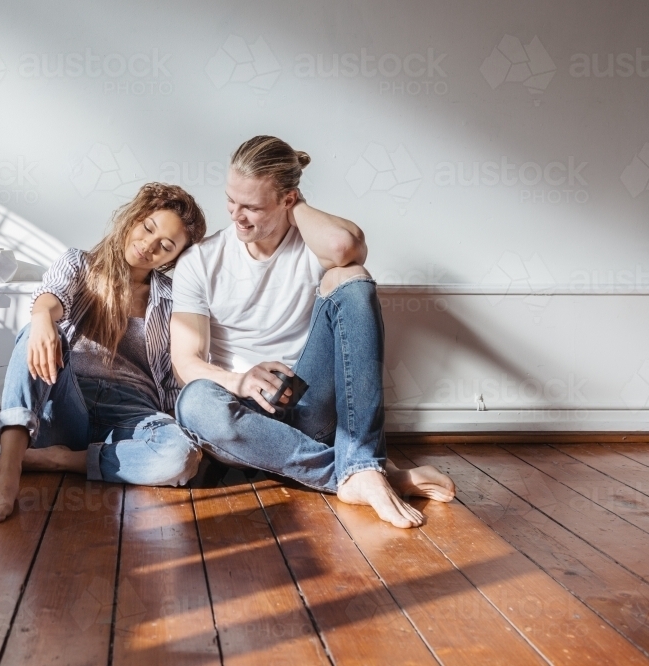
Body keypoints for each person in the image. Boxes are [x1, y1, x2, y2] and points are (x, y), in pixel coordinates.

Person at [170, 136, 455, 529]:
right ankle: (364, 473)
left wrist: (298, 206)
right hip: (243, 417)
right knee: (193, 402)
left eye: (252, 206)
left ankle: (359, 468)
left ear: (287, 200)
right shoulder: (200, 261)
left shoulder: (312, 245)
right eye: (231, 201)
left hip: (309, 408)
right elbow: (185, 362)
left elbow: (346, 247)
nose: (237, 215)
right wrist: (240, 380)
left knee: (352, 278)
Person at [0, 182, 208, 523]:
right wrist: (41, 318)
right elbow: (52, 294)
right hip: (70, 401)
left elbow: (175, 376)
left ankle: (60, 460)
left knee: (181, 457)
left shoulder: (174, 298)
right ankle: (7, 474)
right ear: (135, 218)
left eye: (165, 246)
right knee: (32, 334)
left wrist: (184, 429)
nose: (148, 246)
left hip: (133, 411)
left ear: (174, 258)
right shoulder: (79, 264)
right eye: (148, 228)